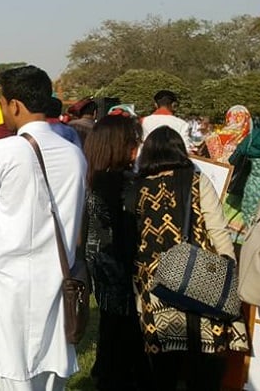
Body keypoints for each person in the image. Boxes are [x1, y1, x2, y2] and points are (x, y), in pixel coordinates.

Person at [0, 65, 86, 390]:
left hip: (12, 283)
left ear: (15, 105)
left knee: (14, 374)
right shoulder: (74, 155)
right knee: (52, 375)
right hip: (58, 278)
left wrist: (12, 242)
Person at [130, 127, 248, 391]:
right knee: (202, 360)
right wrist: (229, 269)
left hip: (154, 283)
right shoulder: (197, 180)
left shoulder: (137, 186)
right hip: (198, 277)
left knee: (163, 364)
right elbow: (217, 229)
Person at [82, 114, 152, 390]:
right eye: (133, 143)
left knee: (111, 323)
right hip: (120, 263)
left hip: (99, 260)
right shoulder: (125, 184)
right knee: (125, 325)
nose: (137, 149)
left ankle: (108, 369)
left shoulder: (93, 178)